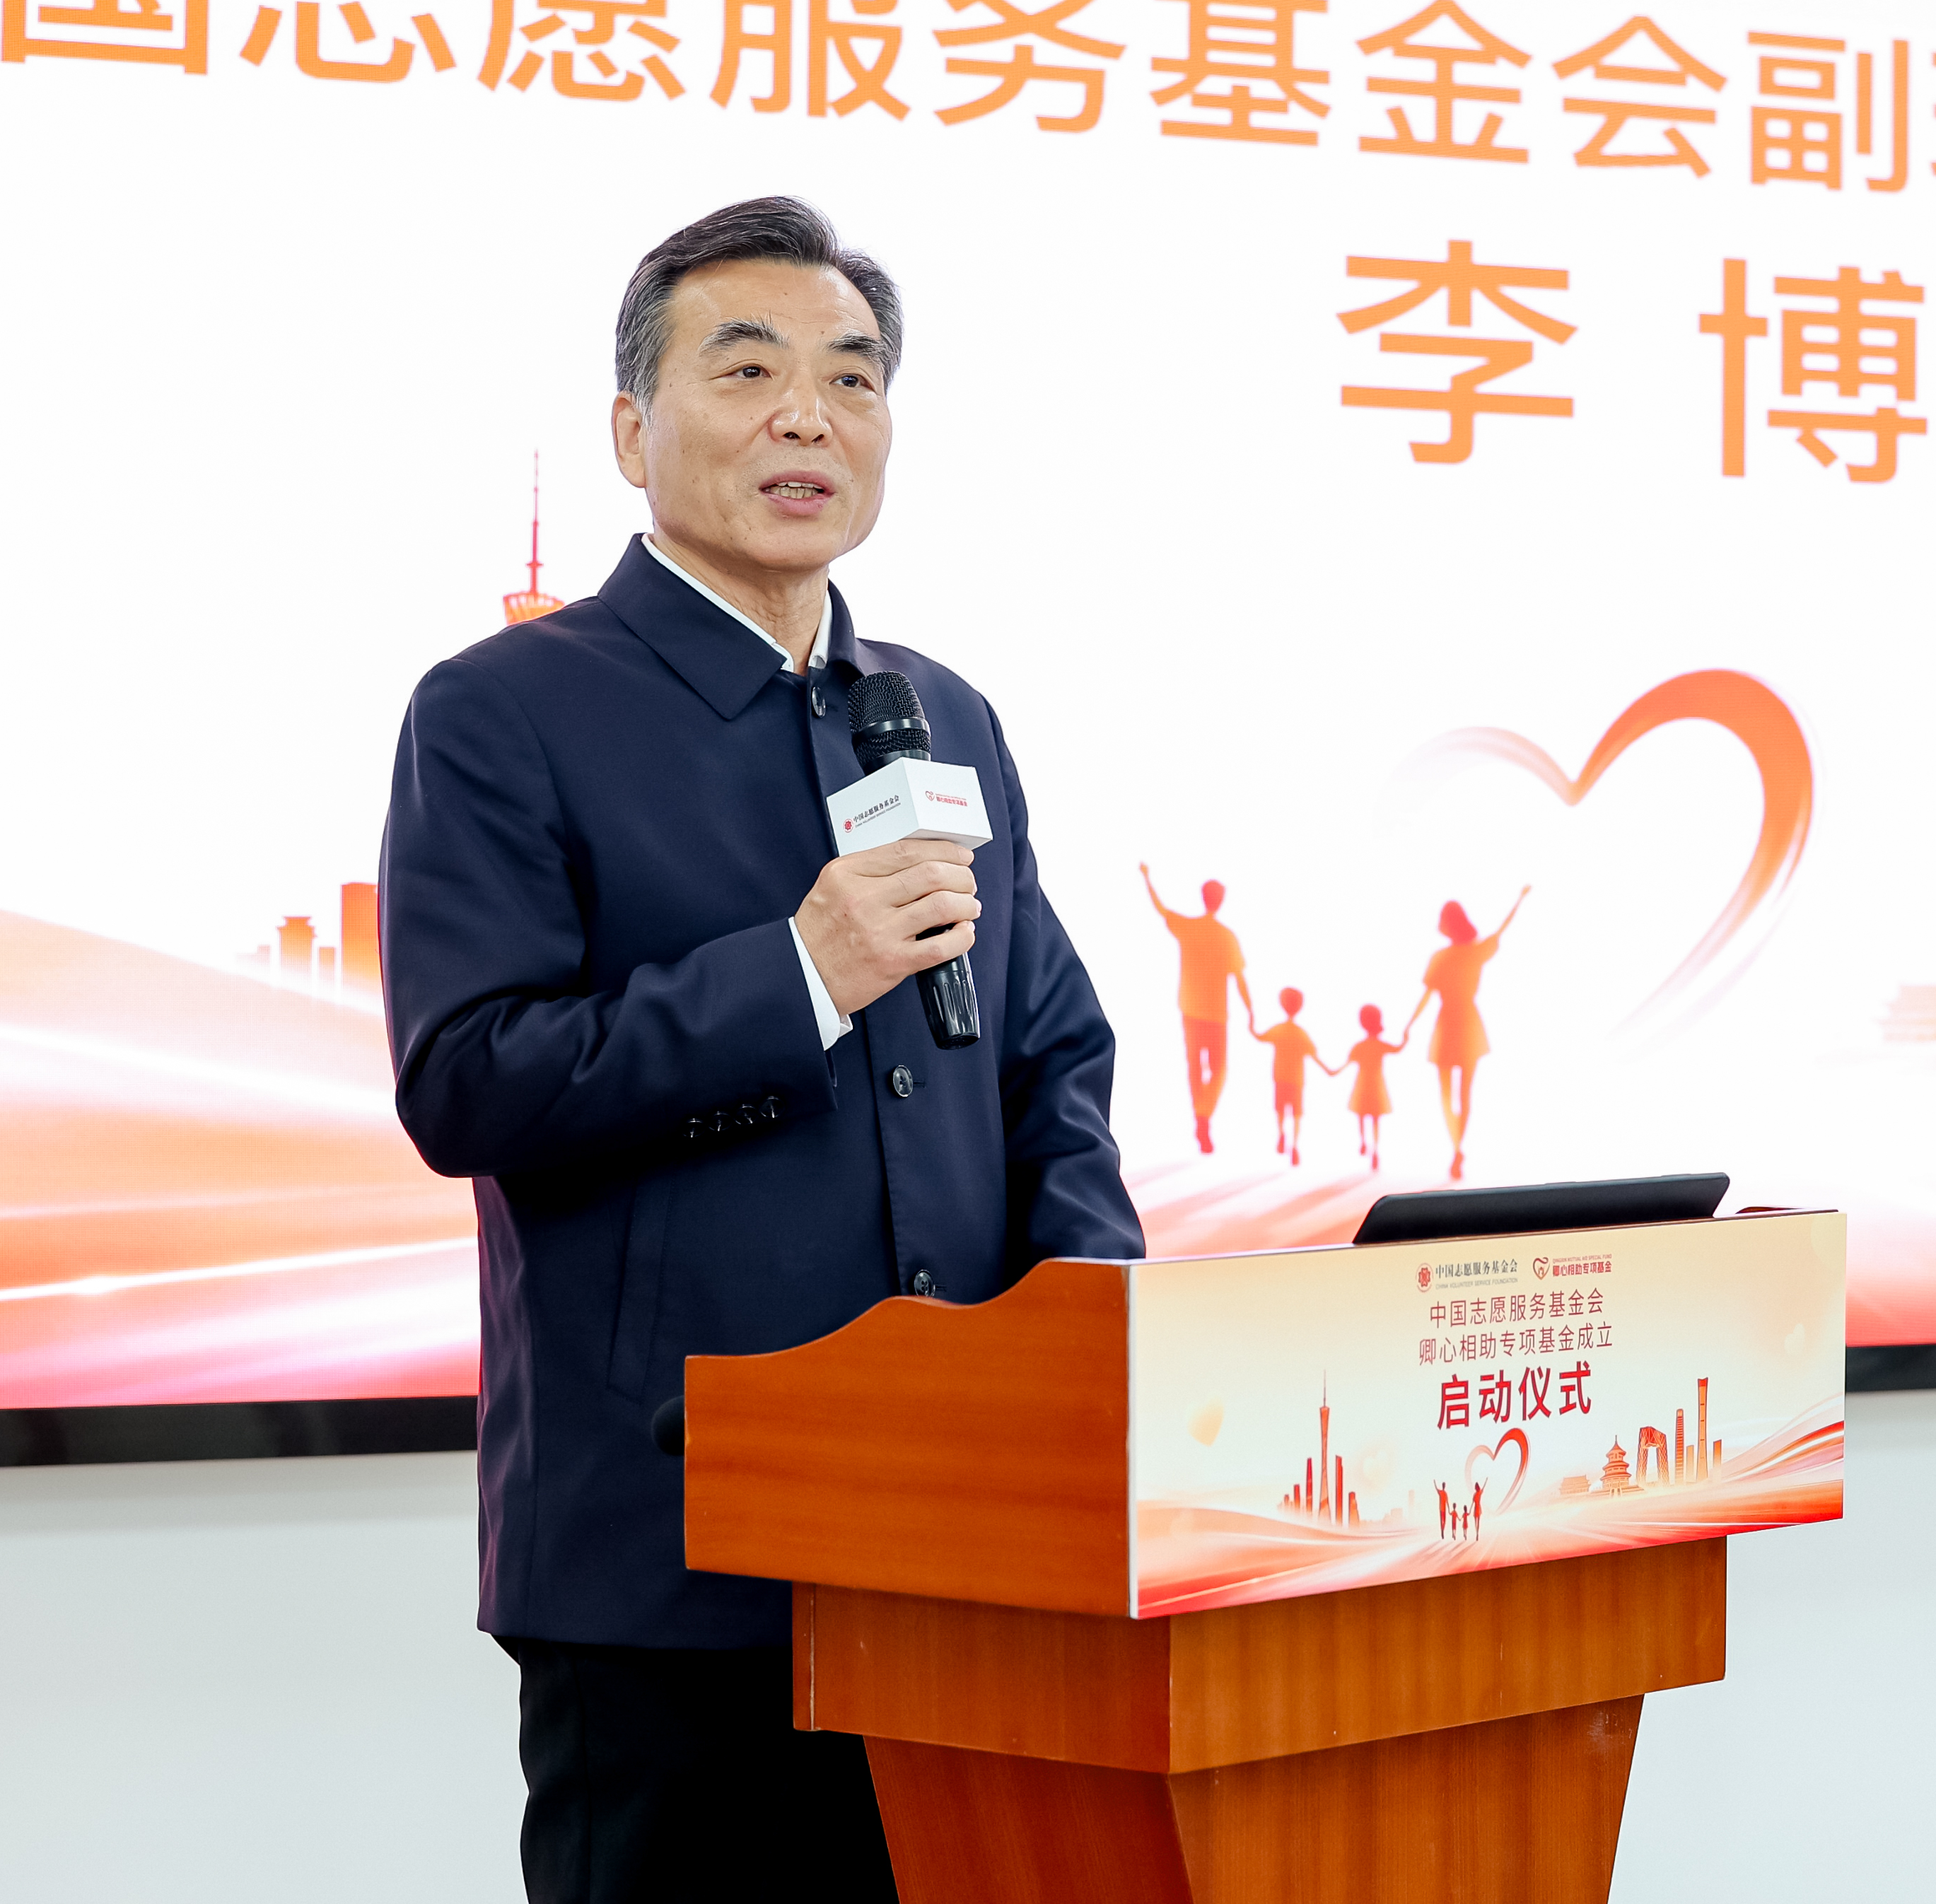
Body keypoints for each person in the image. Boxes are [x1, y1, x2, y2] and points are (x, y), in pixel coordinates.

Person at [380, 197, 1142, 1904]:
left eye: (853, 379)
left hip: (967, 1548)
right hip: (671, 1560)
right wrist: (799, 974)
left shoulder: (940, 716)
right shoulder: (504, 712)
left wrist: (1091, 1338)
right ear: (631, 433)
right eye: (748, 371)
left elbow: (1049, 1061)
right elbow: (470, 1079)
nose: (811, 415)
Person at [1413, 889, 1528, 1180]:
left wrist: (1408, 1027)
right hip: (1466, 1025)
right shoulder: (1474, 952)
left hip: (1450, 1026)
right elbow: (1501, 930)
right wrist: (1519, 900)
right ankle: (1457, 1147)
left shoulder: (1442, 957)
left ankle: (1456, 1147)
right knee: (1463, 1093)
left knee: (1449, 1094)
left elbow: (1426, 996)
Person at [1139, 866, 1249, 1154]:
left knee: (1196, 1069)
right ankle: (1203, 1116)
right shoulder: (1226, 936)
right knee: (1218, 1069)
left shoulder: (1190, 928)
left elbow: (1161, 909)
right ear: (1221, 901)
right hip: (1215, 1014)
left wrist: (1147, 878)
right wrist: (1251, 1012)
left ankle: (1201, 1116)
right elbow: (1239, 978)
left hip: (1191, 1009)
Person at [1247, 986, 1322, 1164]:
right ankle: (1294, 1145)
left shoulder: (1279, 1030)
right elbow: (1314, 1054)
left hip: (1281, 1078)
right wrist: (1330, 1071)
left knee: (1281, 1110)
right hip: (1296, 1080)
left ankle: (1282, 1134)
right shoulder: (1300, 1033)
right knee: (1296, 1114)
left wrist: (1251, 1018)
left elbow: (1259, 1036)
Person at [1342, 1002, 1410, 1165]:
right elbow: (1398, 1049)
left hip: (1363, 1086)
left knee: (1362, 1115)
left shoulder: (1360, 1046)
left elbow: (1345, 1065)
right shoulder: (1378, 1045)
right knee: (1374, 1119)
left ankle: (1364, 1143)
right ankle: (1374, 1149)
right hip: (1375, 1086)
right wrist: (1405, 1037)